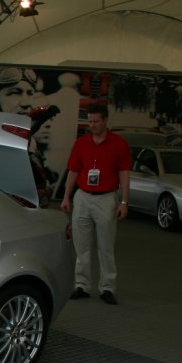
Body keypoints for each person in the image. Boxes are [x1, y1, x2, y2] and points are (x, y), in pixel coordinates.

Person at [60, 104, 131, 305]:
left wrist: (124, 201)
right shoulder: (81, 143)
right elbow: (73, 170)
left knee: (105, 246)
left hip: (106, 198)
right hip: (82, 196)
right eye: (89, 121)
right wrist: (66, 197)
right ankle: (81, 285)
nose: (92, 125)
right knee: (81, 245)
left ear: (106, 120)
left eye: (96, 121)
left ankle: (107, 287)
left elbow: (124, 173)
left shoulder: (119, 144)